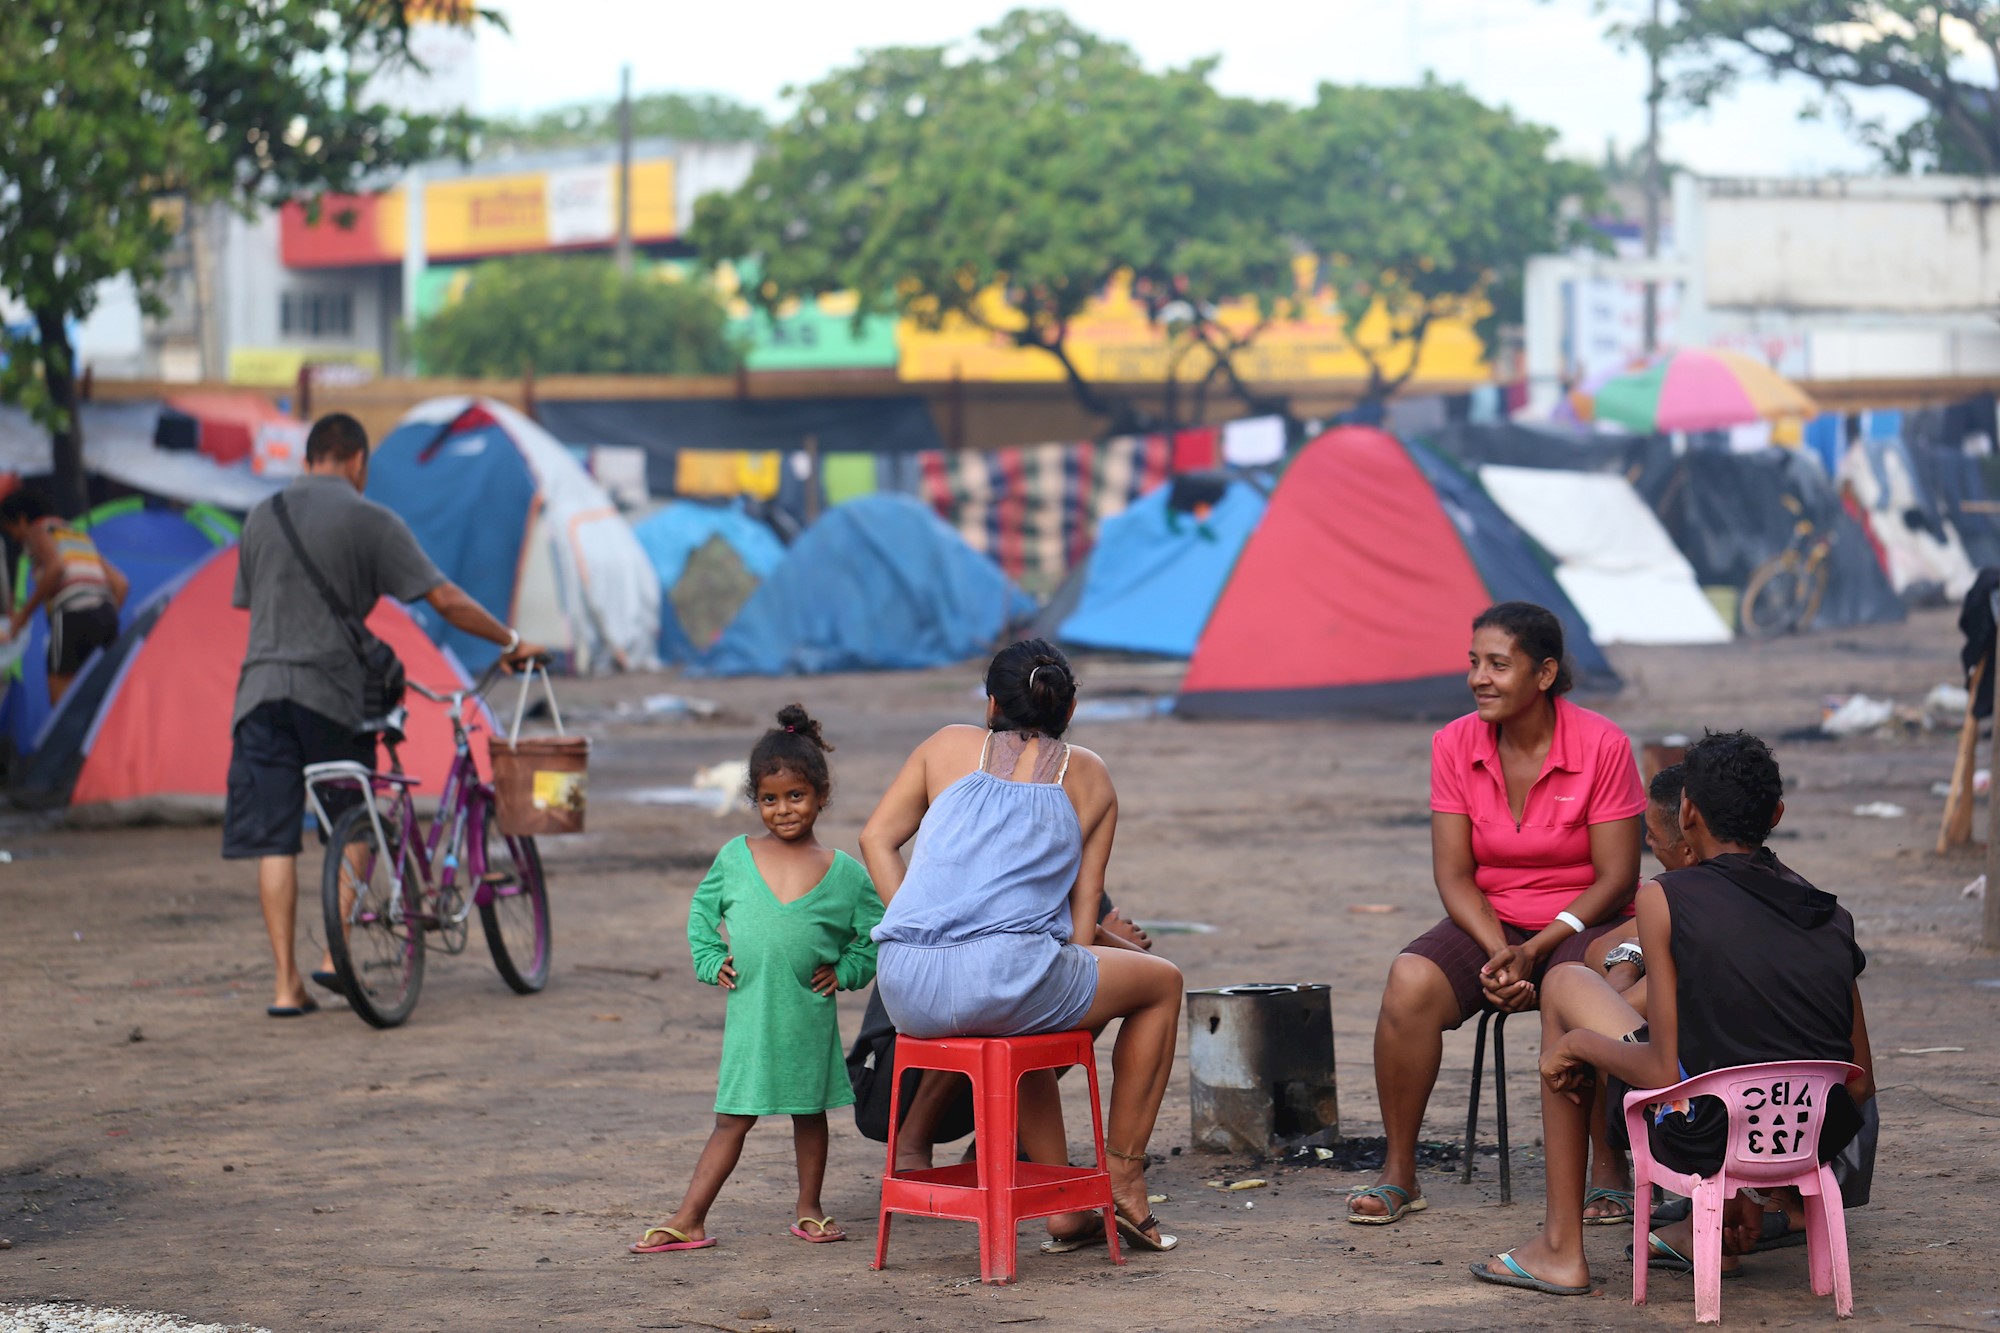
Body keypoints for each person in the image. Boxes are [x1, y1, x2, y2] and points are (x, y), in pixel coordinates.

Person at [1472, 730, 1875, 1296]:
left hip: (1705, 1134)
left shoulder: (1668, 898)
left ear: (1686, 812)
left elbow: (1662, 1070)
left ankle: (1561, 1248)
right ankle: (1707, 1223)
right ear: (1777, 813)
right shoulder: (1833, 915)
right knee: (1732, 1047)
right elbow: (1860, 1082)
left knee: (1564, 983)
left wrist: (1578, 1046)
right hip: (1809, 1135)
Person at [859, 639, 1184, 1253]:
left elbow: (876, 838)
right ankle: (1123, 1177)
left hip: (907, 983)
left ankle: (1064, 1210)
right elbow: (1083, 919)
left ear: (991, 705)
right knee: (1161, 982)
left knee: (1027, 1010)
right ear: (1067, 711)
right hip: (1010, 975)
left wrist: (919, 919)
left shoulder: (942, 746)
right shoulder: (1090, 775)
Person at [225, 412, 539, 1018]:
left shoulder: (262, 516)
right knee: (355, 819)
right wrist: (508, 640)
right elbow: (443, 597)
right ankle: (331, 957)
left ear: (309, 456)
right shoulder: (369, 518)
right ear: (358, 462)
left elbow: (252, 603)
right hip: (332, 696)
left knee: (274, 842)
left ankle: (286, 985)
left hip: (259, 697)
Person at [1353, 602, 1645, 1226]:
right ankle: (1399, 1170)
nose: (1479, 678)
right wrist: (1497, 950)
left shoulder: (1603, 745)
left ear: (1543, 675)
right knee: (1409, 980)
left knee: (1587, 990)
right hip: (1492, 924)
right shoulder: (1455, 742)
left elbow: (1619, 876)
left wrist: (1537, 948)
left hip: (1585, 922)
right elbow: (1454, 874)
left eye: (1498, 665)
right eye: (1474, 663)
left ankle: (1608, 1167)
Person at [631, 705, 883, 1254]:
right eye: (769, 799)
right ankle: (690, 1217)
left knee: (809, 1113)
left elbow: (877, 933)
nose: (783, 810)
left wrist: (846, 971)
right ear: (756, 801)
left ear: (820, 795)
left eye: (795, 796)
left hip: (806, 1018)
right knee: (732, 1119)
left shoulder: (844, 874)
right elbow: (702, 912)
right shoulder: (735, 857)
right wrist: (708, 957)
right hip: (750, 1016)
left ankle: (810, 1208)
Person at [1, 489, 129, 704]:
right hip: (106, 616)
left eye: (10, 529)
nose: (14, 537)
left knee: (61, 703)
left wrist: (24, 615)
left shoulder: (38, 530)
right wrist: (97, 617)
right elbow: (121, 584)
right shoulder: (78, 535)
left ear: (22, 520)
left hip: (70, 618)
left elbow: (55, 568)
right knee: (102, 700)